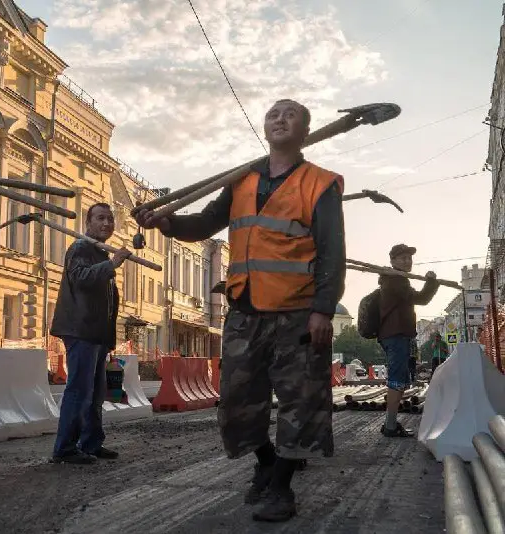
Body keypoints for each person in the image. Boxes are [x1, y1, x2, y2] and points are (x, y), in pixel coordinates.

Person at [135, 99, 346, 523]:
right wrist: (166, 222)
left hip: (298, 312)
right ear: (264, 128)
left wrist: (323, 309)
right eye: (273, 114)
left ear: (305, 130)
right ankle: (266, 462)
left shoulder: (319, 184)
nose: (279, 118)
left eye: (290, 114)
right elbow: (204, 225)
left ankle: (282, 486)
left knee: (301, 402)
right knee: (235, 400)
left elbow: (332, 253)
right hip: (245, 309)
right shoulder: (241, 180)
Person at [49, 203, 132, 464]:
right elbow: (81, 279)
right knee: (79, 390)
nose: (107, 223)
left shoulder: (99, 253)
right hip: (80, 330)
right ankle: (65, 448)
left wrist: (109, 340)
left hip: (95, 334)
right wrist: (114, 264)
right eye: (100, 218)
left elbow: (107, 302)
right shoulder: (81, 248)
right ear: (89, 222)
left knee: (96, 392)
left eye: (110, 219)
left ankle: (92, 443)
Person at [377, 244, 439, 438]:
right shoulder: (395, 280)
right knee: (396, 380)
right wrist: (431, 282)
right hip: (395, 335)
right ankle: (389, 426)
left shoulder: (396, 279)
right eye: (402, 258)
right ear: (393, 261)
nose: (407, 261)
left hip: (396, 334)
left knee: (400, 379)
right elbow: (421, 299)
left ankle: (391, 423)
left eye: (409, 258)